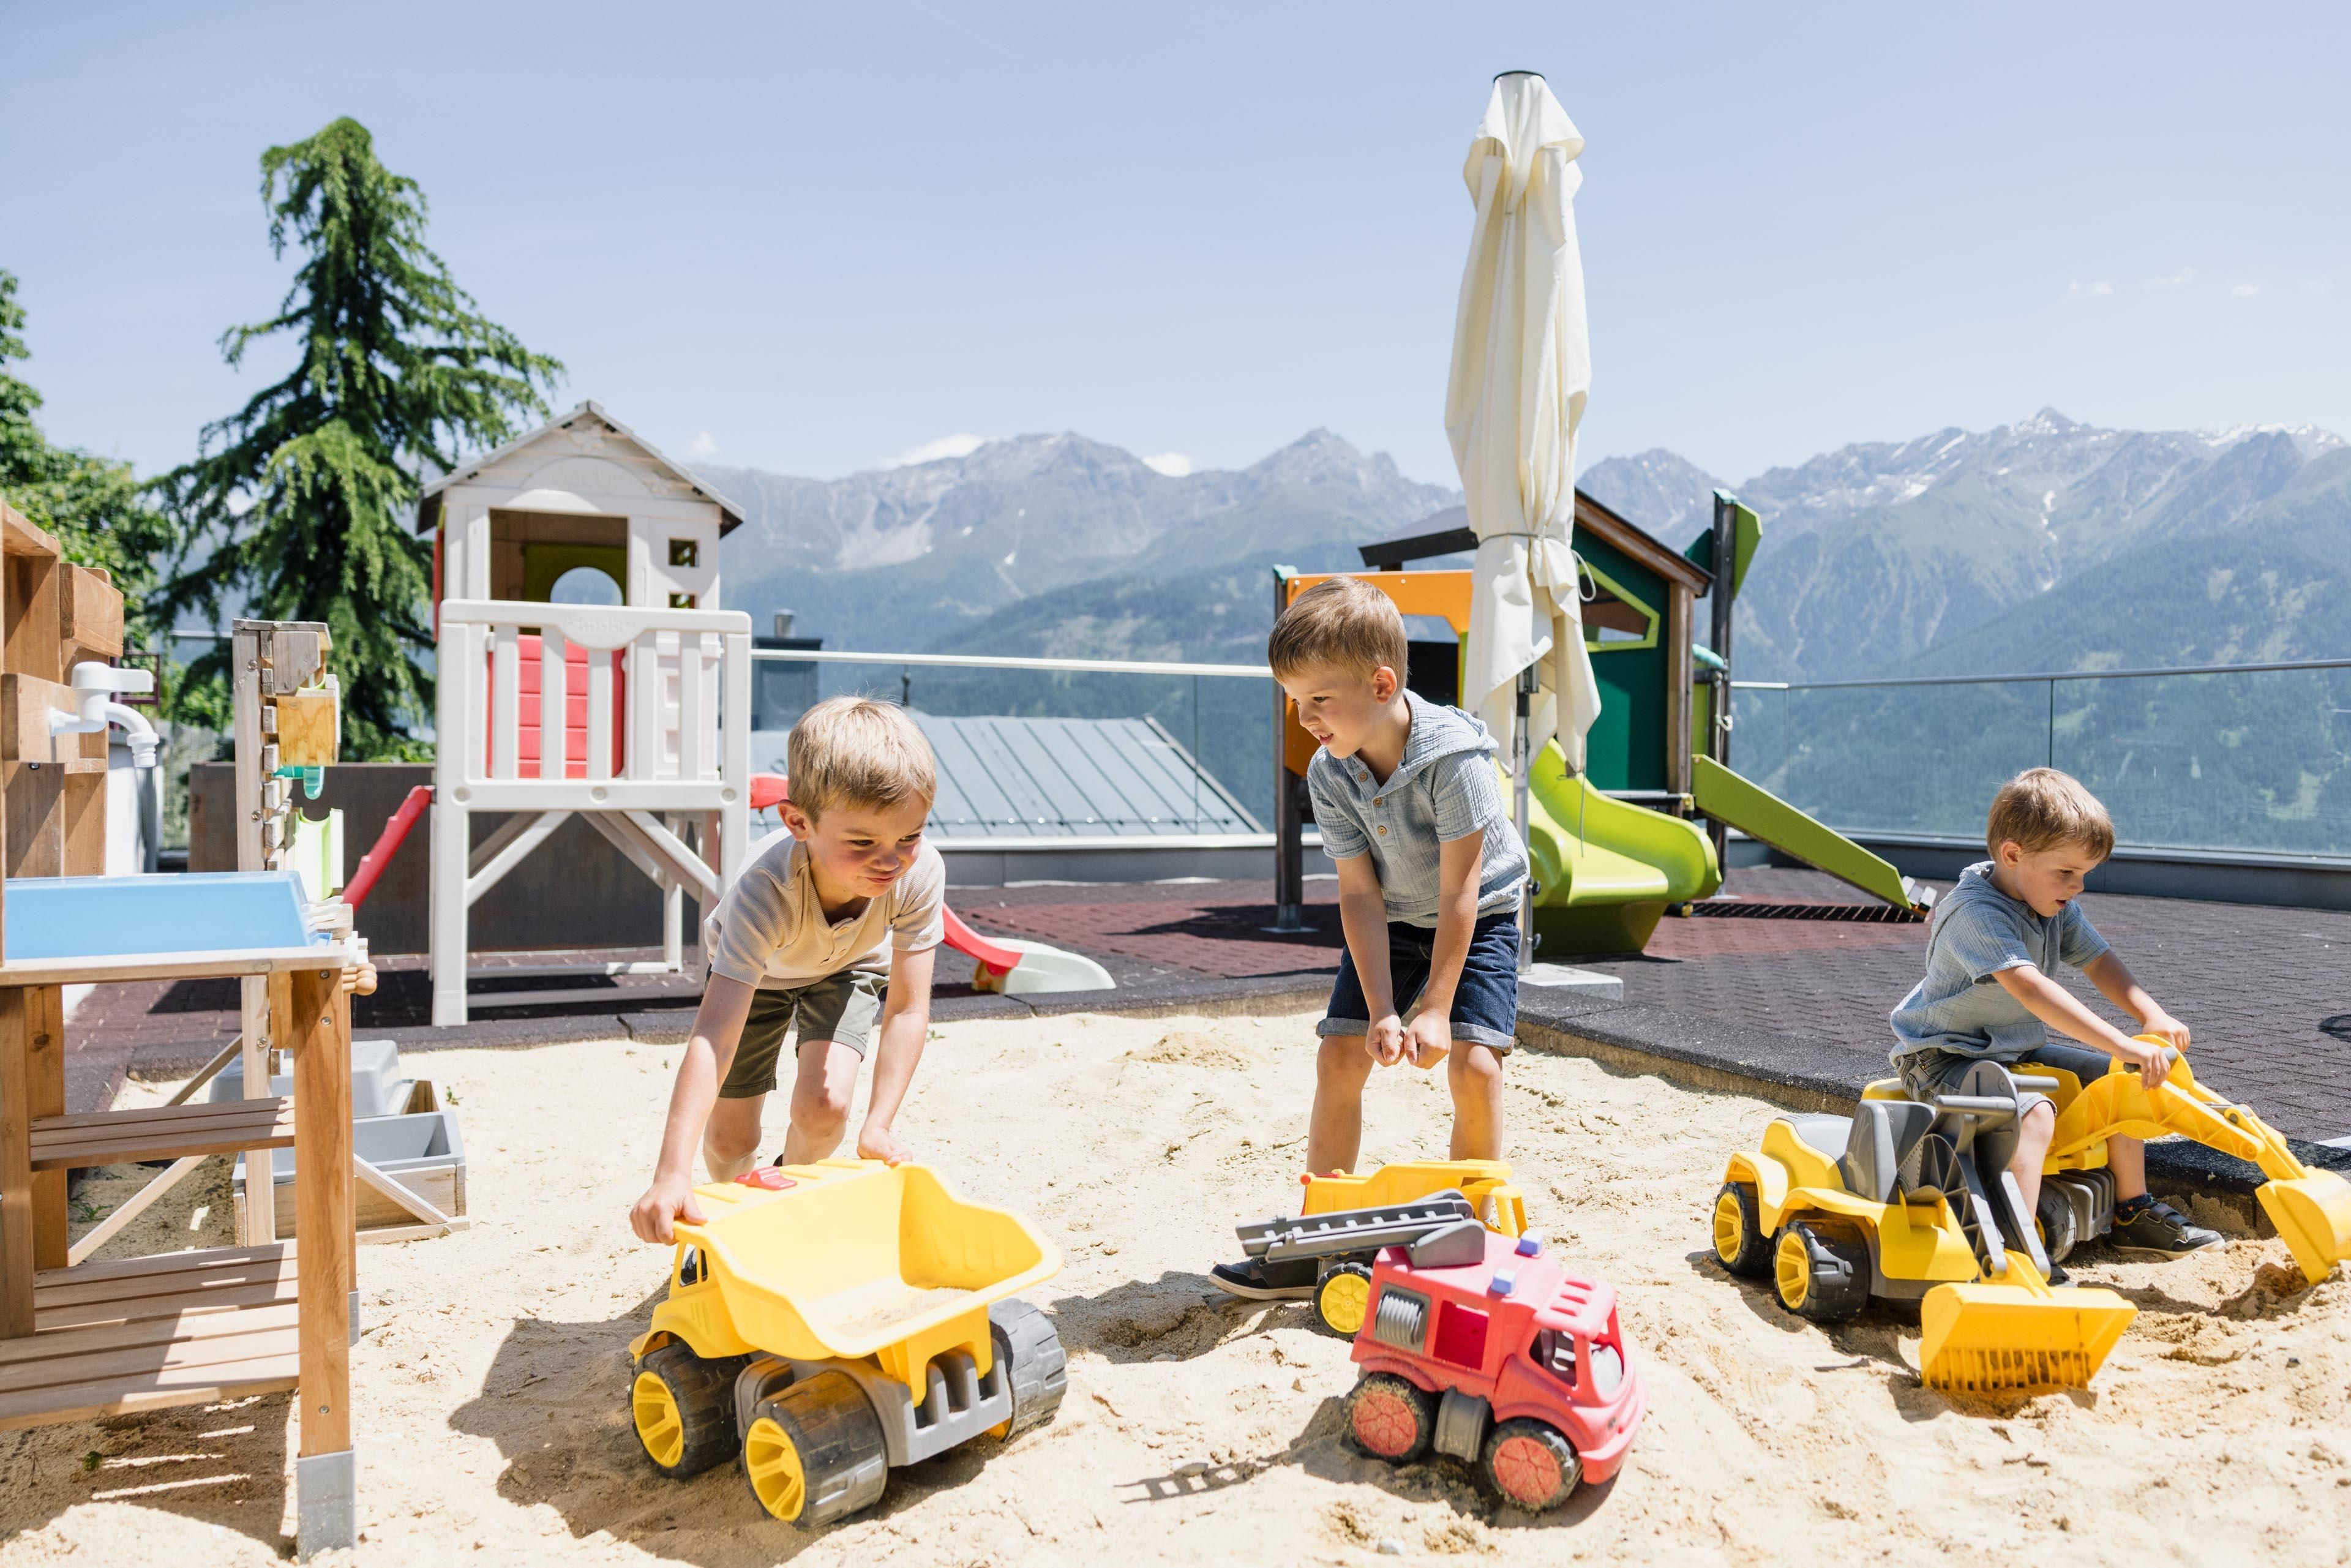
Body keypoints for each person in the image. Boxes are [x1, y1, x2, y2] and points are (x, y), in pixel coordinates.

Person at [1213, 576, 1529, 1300]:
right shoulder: (1329, 773)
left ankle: (1471, 1229)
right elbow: (1357, 893)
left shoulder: (1455, 759)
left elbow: (1462, 893)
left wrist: (1437, 1008)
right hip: (1390, 913)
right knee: (1340, 1056)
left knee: (1475, 1067)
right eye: (1295, 700)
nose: (1304, 717)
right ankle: (1319, 1232)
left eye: (1319, 700)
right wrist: (1385, 1006)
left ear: (1382, 682)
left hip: (1478, 915)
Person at [629, 696, 943, 1244]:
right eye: (863, 842)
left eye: (908, 837)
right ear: (799, 822)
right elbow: (713, 1034)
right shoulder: (766, 892)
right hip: (761, 975)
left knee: (826, 1107)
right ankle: (742, 1207)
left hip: (847, 967)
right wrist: (672, 1172)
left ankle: (791, 1202)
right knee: (728, 1141)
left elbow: (909, 1007)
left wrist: (879, 1123)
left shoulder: (919, 876)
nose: (890, 860)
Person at [1889, 767, 2221, 1270]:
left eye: (2085, 873)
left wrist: (2150, 1014)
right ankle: (2018, 1250)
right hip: (1941, 1057)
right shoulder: (1975, 912)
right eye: (2067, 872)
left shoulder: (2051, 902)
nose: (2079, 885)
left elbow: (2099, 960)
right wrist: (2124, 1041)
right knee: (2034, 1111)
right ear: (2013, 854)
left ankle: (2132, 1212)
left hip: (2012, 1047)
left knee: (2120, 1080)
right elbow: (2033, 989)